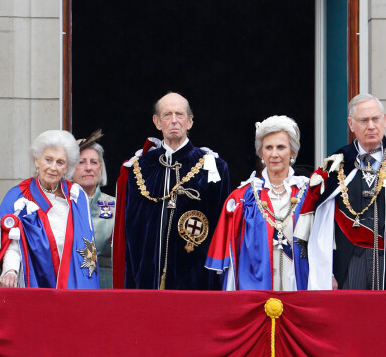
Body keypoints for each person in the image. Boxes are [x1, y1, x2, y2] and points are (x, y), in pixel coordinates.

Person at [112, 92, 228, 290]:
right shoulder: (138, 169)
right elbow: (128, 233)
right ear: (157, 122)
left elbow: (223, 231)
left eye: (179, 114)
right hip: (146, 280)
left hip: (196, 279)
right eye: (167, 115)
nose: (174, 121)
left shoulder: (213, 168)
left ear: (190, 122)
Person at [209, 116, 312, 292]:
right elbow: (228, 256)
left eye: (281, 147)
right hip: (255, 292)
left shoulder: (309, 194)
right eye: (268, 148)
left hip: (300, 287)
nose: (274, 154)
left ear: (292, 152)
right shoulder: (243, 197)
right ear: (261, 153)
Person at [0, 130, 100, 289]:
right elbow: (11, 243)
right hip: (34, 286)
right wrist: (11, 271)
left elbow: (86, 247)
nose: (53, 167)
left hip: (72, 287)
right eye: (48, 160)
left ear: (67, 167)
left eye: (60, 162)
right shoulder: (18, 196)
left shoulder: (78, 196)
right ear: (37, 161)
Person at [308, 94, 386, 290]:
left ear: (384, 120)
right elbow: (318, 222)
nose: (371, 125)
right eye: (363, 120)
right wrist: (326, 272)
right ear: (351, 124)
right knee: (354, 319)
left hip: (384, 259)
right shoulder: (335, 165)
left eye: (376, 118)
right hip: (349, 264)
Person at [73, 132, 117, 288]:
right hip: (70, 284)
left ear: (101, 168)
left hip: (106, 285)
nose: (89, 168)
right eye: (81, 162)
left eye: (94, 162)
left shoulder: (117, 206)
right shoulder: (61, 205)